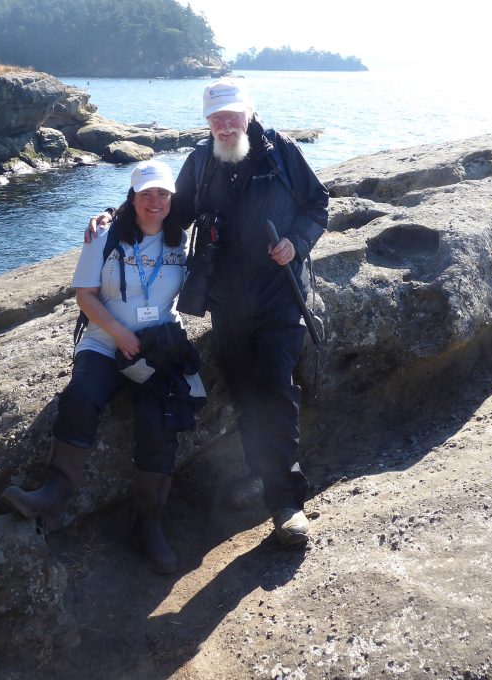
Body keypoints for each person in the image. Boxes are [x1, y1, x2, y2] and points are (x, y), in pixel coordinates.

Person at [87, 78, 330, 547]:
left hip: (279, 297)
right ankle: (262, 475)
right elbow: (164, 214)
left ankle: (285, 502)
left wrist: (295, 243)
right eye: (215, 118)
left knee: (275, 387)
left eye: (231, 115)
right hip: (228, 305)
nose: (224, 125)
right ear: (207, 122)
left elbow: (318, 204)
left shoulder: (282, 154)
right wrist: (108, 218)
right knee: (245, 392)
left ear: (249, 112)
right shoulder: (201, 163)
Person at [2, 159, 192, 574]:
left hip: (156, 348)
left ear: (173, 199)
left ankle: (149, 524)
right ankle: (55, 491)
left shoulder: (182, 241)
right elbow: (84, 295)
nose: (154, 202)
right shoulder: (104, 235)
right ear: (132, 197)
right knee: (81, 395)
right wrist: (120, 334)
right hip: (106, 342)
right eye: (146, 194)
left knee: (159, 417)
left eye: (162, 194)